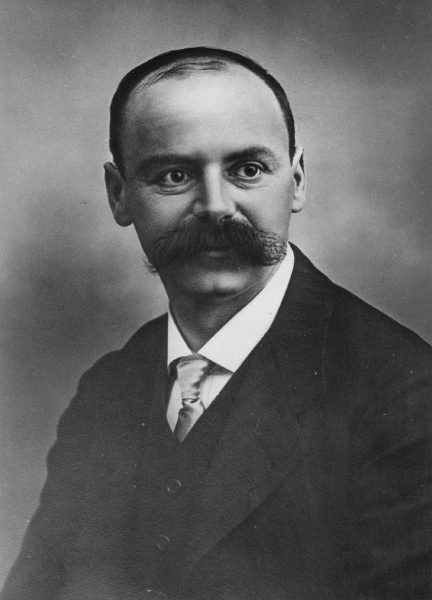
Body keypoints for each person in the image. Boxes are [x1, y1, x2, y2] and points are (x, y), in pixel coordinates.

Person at [1, 46, 431, 600]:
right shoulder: (106, 390)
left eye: (247, 170)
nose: (215, 206)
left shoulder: (405, 394)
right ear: (119, 194)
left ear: (297, 180)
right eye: (174, 175)